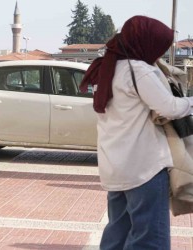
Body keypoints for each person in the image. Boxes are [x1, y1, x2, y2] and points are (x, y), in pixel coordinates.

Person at [80, 15, 193, 249]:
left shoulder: (107, 68)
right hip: (144, 168)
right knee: (151, 239)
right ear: (146, 42)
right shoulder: (138, 70)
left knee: (117, 235)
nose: (158, 54)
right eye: (159, 47)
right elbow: (169, 108)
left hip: (115, 167)